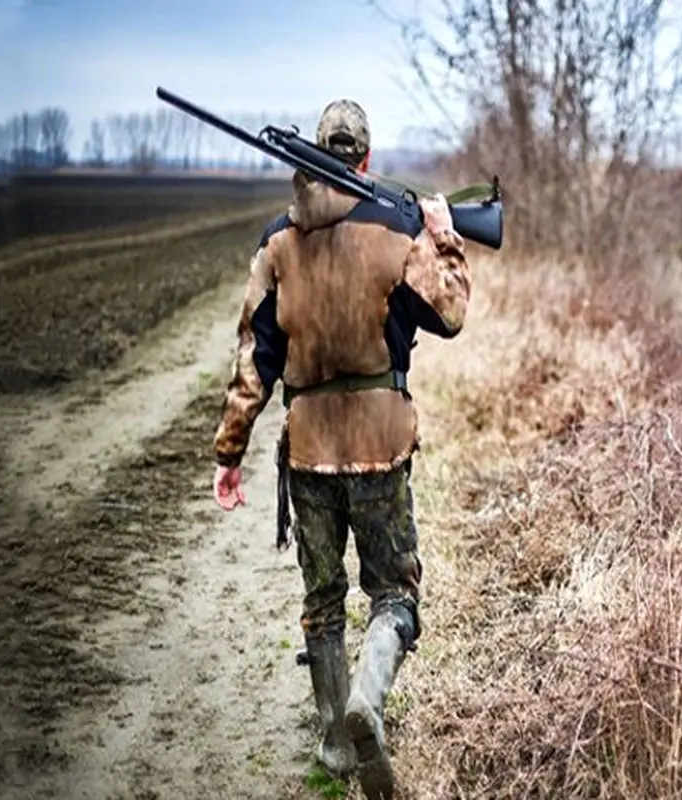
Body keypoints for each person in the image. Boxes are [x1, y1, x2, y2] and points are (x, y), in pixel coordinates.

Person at [208, 97, 472, 800]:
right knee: (393, 594)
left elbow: (252, 358)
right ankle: (368, 703)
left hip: (309, 451)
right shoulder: (398, 230)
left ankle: (333, 745)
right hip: (382, 444)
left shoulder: (276, 243)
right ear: (367, 160)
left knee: (321, 601)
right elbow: (450, 314)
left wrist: (229, 452)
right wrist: (444, 239)